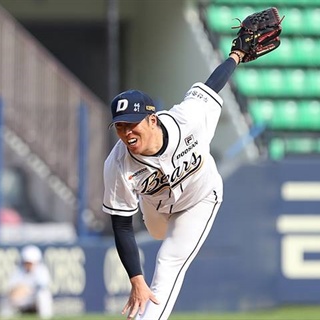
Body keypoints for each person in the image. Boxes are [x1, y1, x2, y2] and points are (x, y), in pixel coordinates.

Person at [102, 13, 281, 319]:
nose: (126, 132)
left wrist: (236, 55)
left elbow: (213, 84)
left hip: (199, 198)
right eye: (120, 127)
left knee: (169, 261)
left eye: (133, 124)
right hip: (155, 208)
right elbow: (120, 223)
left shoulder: (190, 118)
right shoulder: (118, 163)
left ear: (152, 119)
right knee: (158, 236)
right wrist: (135, 279)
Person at [0, 245, 53, 319]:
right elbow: (11, 288)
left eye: (30, 262)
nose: (28, 264)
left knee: (43, 295)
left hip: (34, 298)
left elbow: (42, 287)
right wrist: (17, 291)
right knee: (5, 299)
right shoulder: (18, 270)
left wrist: (26, 289)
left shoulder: (41, 270)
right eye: (27, 262)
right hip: (23, 299)